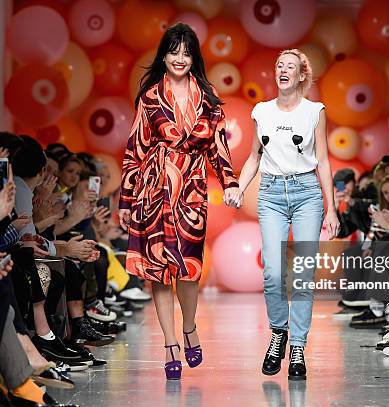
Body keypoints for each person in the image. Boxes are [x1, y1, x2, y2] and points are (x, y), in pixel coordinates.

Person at [118, 23, 239, 381]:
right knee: (157, 270)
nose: (180, 59)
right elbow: (134, 148)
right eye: (174, 52)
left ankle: (189, 327)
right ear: (164, 55)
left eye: (186, 53)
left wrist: (230, 183)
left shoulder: (209, 96)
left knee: (189, 268)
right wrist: (126, 199)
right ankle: (170, 343)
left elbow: (219, 147)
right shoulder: (150, 97)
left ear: (194, 57)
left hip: (191, 191)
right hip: (152, 190)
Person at [234, 49, 339, 381]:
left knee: (304, 275)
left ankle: (298, 346)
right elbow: (254, 156)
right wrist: (238, 187)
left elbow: (322, 160)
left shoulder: (314, 112)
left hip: (307, 193)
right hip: (271, 194)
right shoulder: (261, 111)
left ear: (301, 75)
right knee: (273, 273)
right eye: (280, 65)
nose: (283, 70)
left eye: (290, 66)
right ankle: (278, 332)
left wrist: (332, 207)